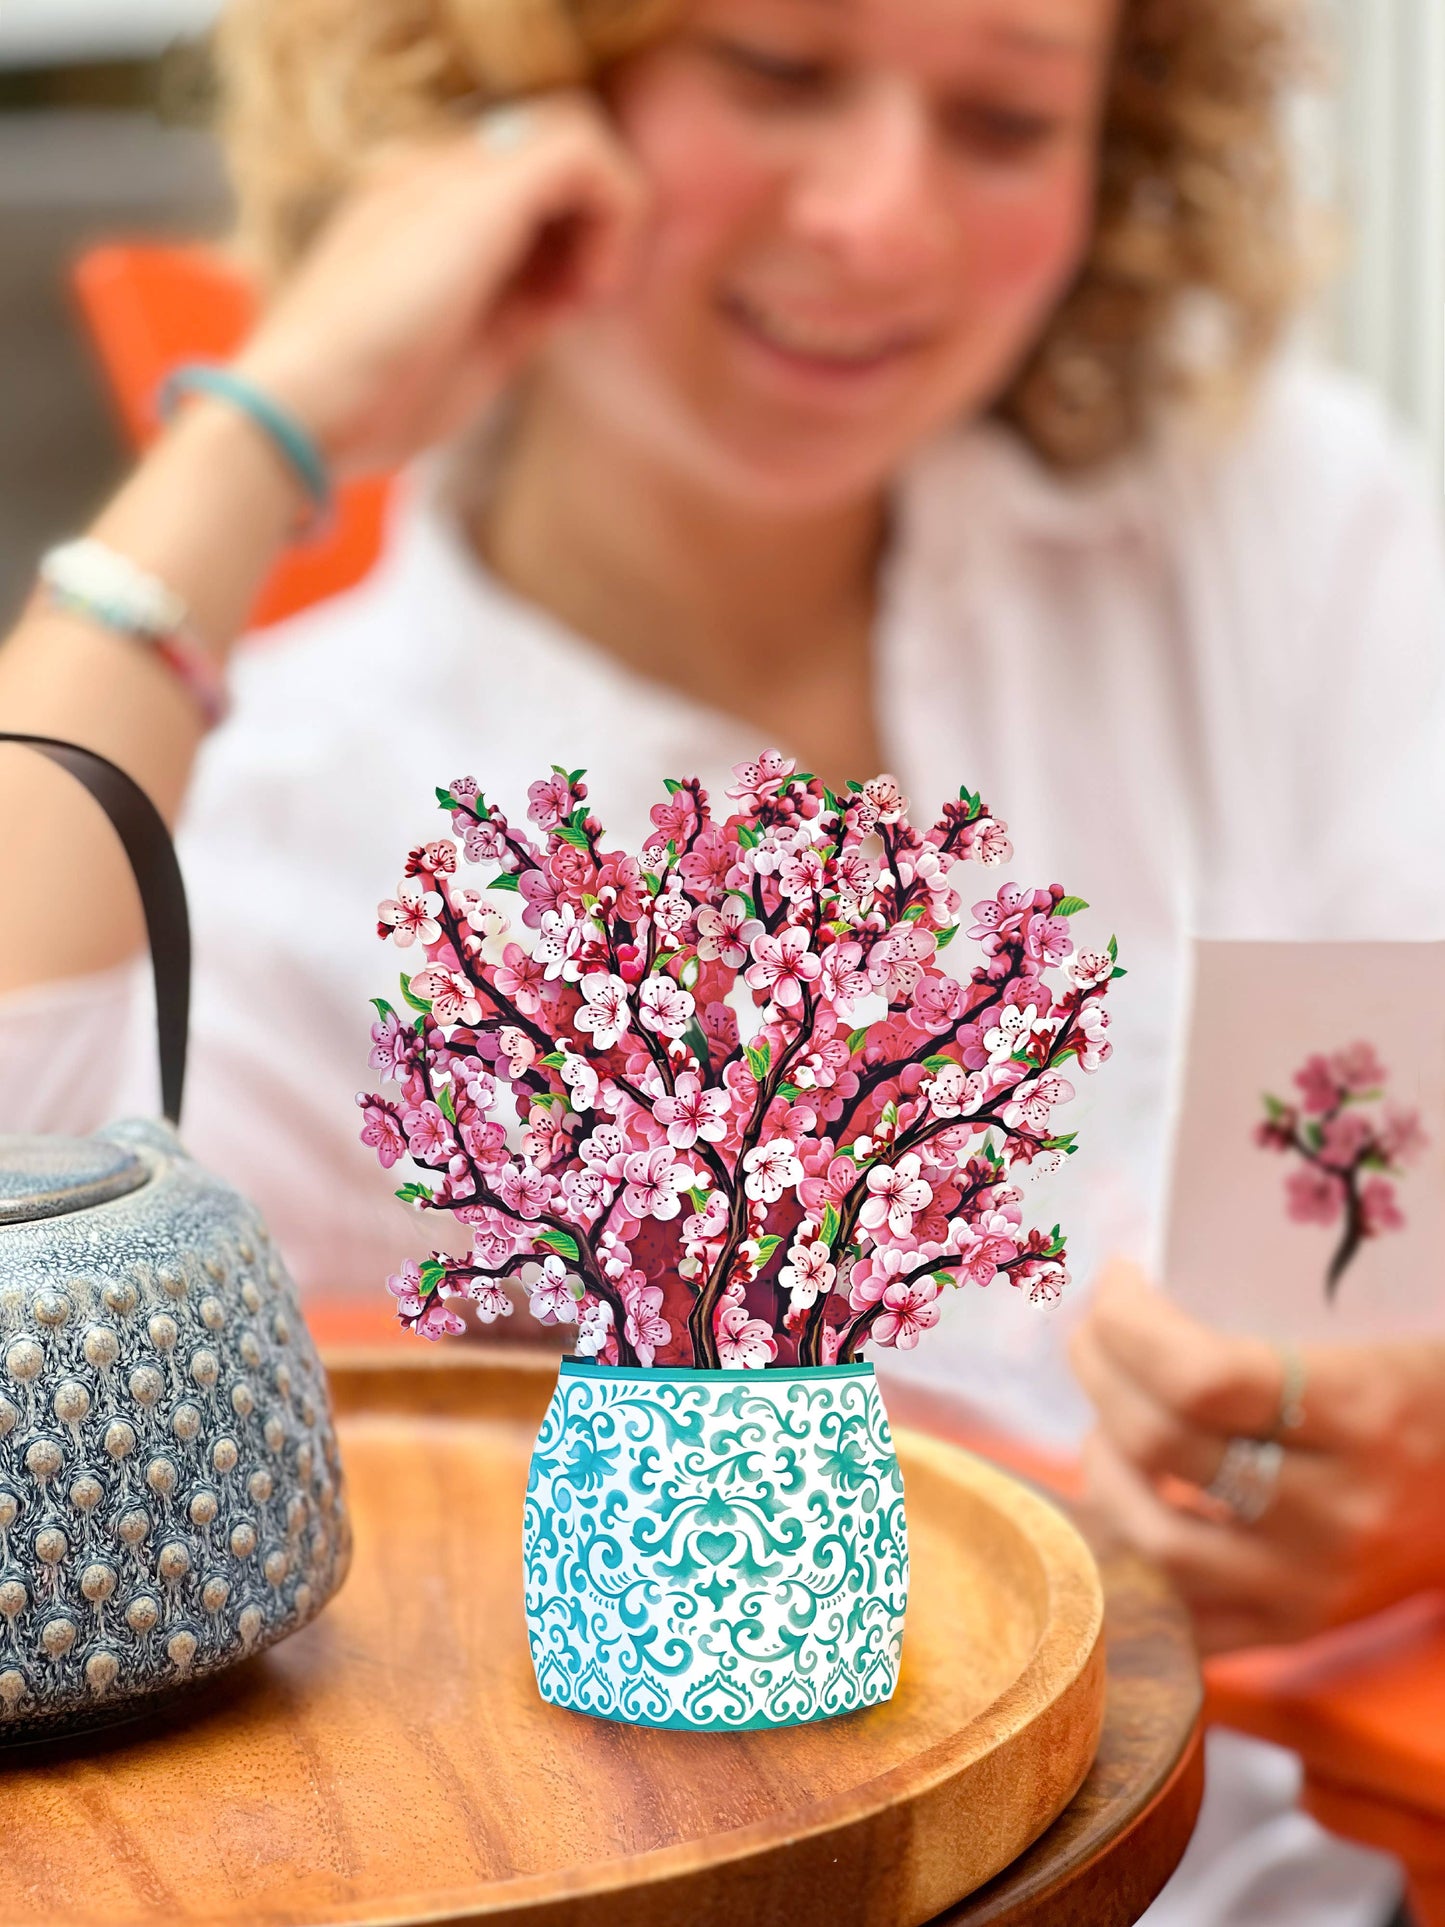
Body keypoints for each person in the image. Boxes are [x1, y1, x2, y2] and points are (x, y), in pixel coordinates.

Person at [2, 0, 1442, 1916]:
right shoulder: (303, 823)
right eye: (772, 71)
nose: (876, 221)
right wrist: (274, 424)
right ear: (514, 97)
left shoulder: (1257, 527)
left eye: (1006, 119)